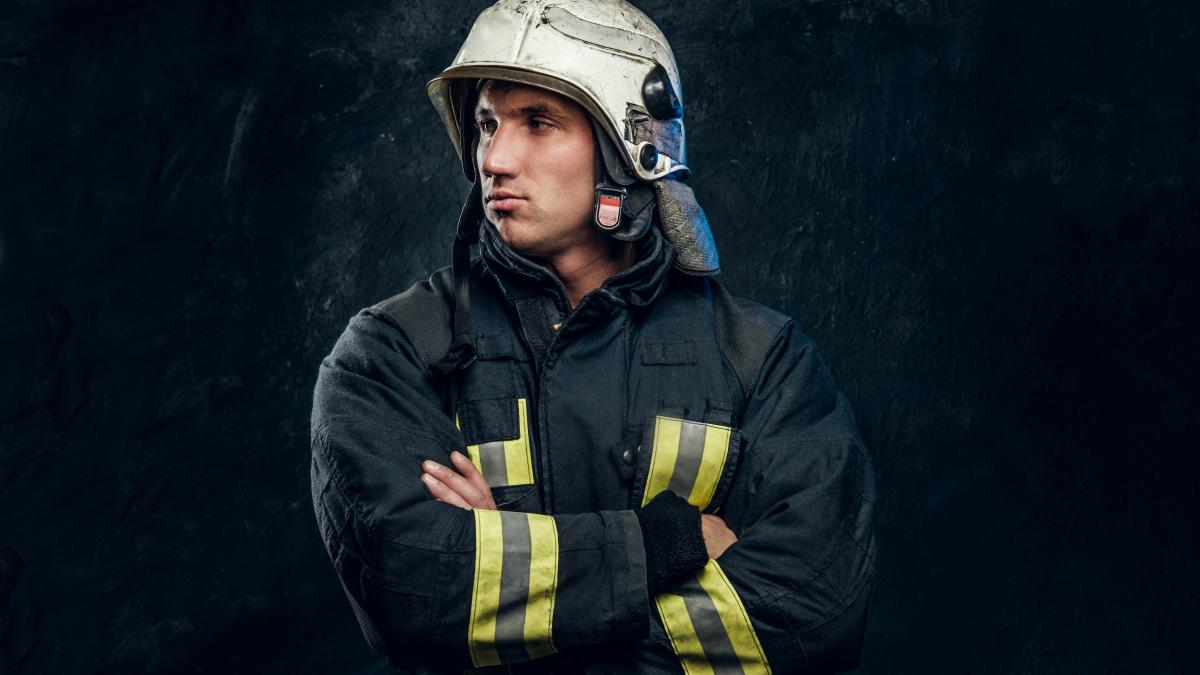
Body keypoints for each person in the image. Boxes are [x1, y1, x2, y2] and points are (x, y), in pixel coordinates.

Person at [309, 1, 876, 673]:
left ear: (627, 151)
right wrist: (669, 544)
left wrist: (515, 592)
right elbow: (415, 588)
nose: (495, 158)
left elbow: (812, 612)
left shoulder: (764, 360)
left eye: (538, 122)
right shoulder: (391, 353)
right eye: (487, 124)